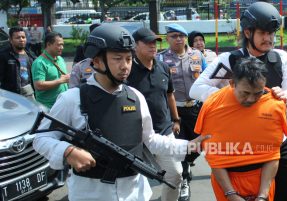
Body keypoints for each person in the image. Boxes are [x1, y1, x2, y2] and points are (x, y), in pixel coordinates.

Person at [32, 24, 208, 201]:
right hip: (91, 195)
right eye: (117, 59)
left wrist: (190, 145)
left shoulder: (136, 97)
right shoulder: (72, 99)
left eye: (129, 59)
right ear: (97, 61)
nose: (125, 66)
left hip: (135, 194)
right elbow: (41, 138)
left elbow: (151, 140)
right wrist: (67, 151)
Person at [189, 2, 287, 201]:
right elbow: (196, 89)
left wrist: (286, 96)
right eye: (263, 33)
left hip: (277, 141)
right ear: (248, 33)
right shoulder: (229, 60)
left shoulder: (281, 58)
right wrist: (233, 96)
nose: (269, 38)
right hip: (240, 144)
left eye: (272, 33)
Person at [194, 57, 287, 201]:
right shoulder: (213, 106)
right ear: (232, 83)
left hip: (262, 180)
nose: (251, 99)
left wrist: (262, 196)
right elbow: (214, 157)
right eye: (245, 93)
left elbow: (273, 154)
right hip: (226, 182)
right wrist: (230, 194)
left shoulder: (274, 105)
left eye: (257, 93)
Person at [127, 27, 182, 201]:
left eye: (155, 42)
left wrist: (175, 119)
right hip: (135, 135)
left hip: (164, 131)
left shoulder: (163, 67)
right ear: (136, 45)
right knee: (132, 181)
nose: (153, 46)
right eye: (148, 42)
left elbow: (169, 94)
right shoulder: (127, 71)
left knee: (175, 175)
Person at [157, 23, 206, 201]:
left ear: (186, 38)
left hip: (195, 107)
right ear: (167, 38)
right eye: (173, 36)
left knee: (199, 143)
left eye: (181, 36)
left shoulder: (197, 55)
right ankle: (184, 178)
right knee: (179, 147)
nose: (178, 39)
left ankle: (188, 162)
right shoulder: (160, 58)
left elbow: (208, 77)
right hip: (174, 109)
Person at [31, 32, 69, 108]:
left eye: (62, 45)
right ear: (48, 45)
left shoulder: (60, 59)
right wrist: (60, 81)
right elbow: (38, 85)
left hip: (63, 105)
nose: (62, 47)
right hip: (48, 108)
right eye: (59, 45)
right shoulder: (39, 63)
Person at [0, 26, 36, 99]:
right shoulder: (3, 55)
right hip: (10, 96)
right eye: (18, 38)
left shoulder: (31, 55)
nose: (21, 40)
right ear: (10, 40)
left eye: (23, 37)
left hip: (29, 93)